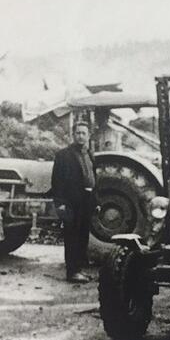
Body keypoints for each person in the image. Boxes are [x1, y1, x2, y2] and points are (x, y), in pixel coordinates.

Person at [50, 121, 95, 283]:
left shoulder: (89, 155)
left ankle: (79, 269)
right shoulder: (63, 155)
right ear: (73, 135)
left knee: (83, 236)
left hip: (86, 202)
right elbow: (57, 182)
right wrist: (60, 203)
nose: (81, 136)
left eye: (84, 133)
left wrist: (94, 203)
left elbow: (92, 179)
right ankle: (72, 272)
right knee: (72, 237)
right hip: (70, 203)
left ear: (89, 136)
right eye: (78, 133)